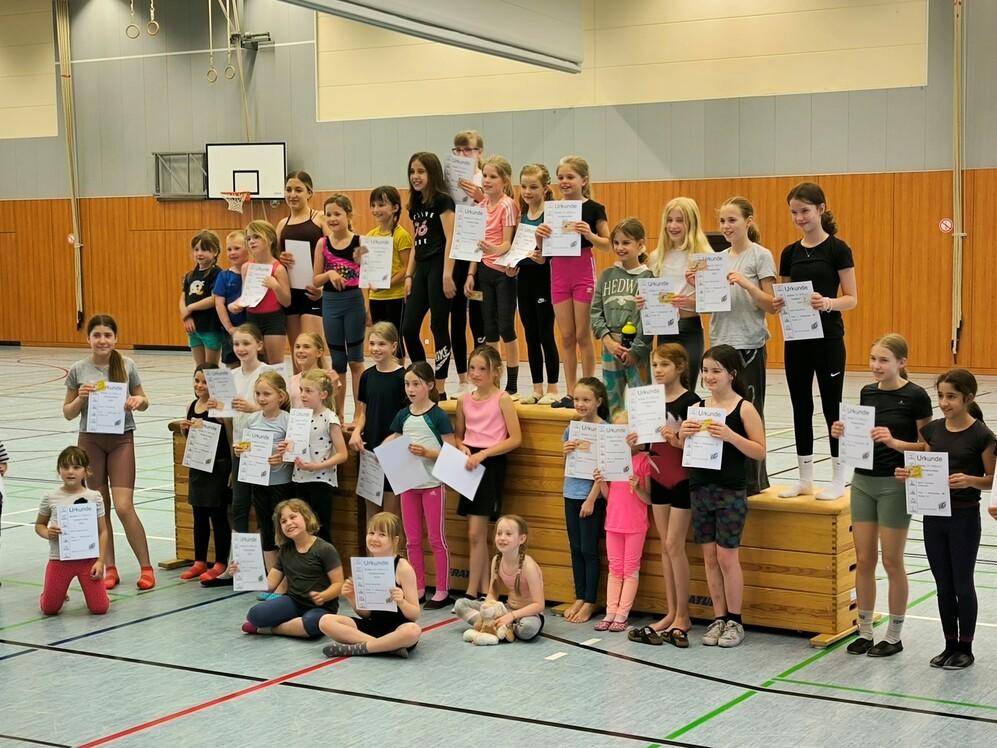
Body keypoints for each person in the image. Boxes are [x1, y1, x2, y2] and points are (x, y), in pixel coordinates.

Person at [831, 334, 932, 657]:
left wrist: (896, 443)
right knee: (863, 559)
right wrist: (843, 432)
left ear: (902, 362)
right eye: (873, 359)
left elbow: (928, 447)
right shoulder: (867, 392)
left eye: (883, 360)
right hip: (863, 481)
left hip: (895, 484)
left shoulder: (916, 396)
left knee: (891, 560)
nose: (876, 366)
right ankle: (864, 631)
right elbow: (862, 435)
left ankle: (894, 634)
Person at [896, 369, 996, 670]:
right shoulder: (933, 431)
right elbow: (926, 466)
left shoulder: (983, 436)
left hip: (964, 518)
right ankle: (949, 643)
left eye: (950, 396)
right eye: (940, 396)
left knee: (962, 584)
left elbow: (992, 480)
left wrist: (970, 480)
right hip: (934, 516)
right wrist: (908, 474)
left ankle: (966, 647)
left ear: (968, 398)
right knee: (942, 584)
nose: (943, 402)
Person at [679, 345, 766, 648]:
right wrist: (683, 434)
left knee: (727, 556)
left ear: (732, 373)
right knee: (709, 557)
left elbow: (759, 450)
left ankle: (735, 620)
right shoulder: (700, 406)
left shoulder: (744, 408)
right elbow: (684, 448)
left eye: (716, 370)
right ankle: (718, 617)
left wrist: (731, 435)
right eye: (705, 370)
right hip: (700, 487)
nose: (709, 376)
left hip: (730, 490)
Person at [775, 182, 858, 500]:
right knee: (800, 406)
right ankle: (804, 476)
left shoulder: (838, 249)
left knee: (831, 407)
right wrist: (781, 303)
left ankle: (838, 476)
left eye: (805, 211)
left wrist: (827, 303)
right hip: (797, 341)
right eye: (794, 212)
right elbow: (784, 296)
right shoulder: (789, 252)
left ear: (821, 209)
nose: (799, 218)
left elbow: (851, 298)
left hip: (829, 340)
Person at [62, 314, 154, 591]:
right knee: (100, 508)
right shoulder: (78, 369)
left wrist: (138, 401)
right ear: (88, 338)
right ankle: (109, 566)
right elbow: (68, 413)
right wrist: (81, 398)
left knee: (124, 506)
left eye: (107, 335)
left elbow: (145, 400)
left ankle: (146, 567)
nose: (102, 340)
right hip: (90, 441)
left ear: (115, 338)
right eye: (97, 335)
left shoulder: (127, 365)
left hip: (120, 440)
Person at [628, 344, 700, 647]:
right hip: (658, 476)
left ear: (680, 367)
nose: (657, 370)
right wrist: (633, 443)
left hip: (682, 477)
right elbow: (645, 446)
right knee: (664, 547)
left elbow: (696, 448)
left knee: (674, 544)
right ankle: (671, 612)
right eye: (655, 364)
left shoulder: (691, 401)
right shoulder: (648, 401)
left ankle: (684, 614)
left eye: (664, 365)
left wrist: (677, 438)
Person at [709, 197, 776, 494]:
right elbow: (706, 302)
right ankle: (727, 476)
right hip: (720, 343)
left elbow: (771, 305)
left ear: (748, 221)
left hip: (748, 345)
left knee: (749, 413)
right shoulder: (716, 258)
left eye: (732, 220)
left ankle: (754, 482)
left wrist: (746, 284)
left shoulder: (760, 256)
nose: (726, 226)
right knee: (721, 414)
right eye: (722, 221)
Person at [536, 156, 610, 407]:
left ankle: (588, 389)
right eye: (561, 178)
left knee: (582, 334)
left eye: (570, 177)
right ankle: (570, 392)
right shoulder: (553, 209)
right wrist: (539, 237)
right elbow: (542, 253)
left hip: (582, 270)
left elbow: (608, 243)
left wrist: (588, 233)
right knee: (566, 335)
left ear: (584, 180)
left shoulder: (594, 208)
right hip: (558, 271)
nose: (565, 182)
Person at [384, 361, 456, 608]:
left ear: (429, 385)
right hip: (408, 484)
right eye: (407, 384)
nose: (410, 389)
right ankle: (418, 586)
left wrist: (427, 453)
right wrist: (382, 449)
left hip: (433, 485)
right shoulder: (402, 414)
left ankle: (443, 589)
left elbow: (452, 450)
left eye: (416, 384)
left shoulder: (438, 415)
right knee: (412, 540)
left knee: (436, 538)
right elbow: (391, 439)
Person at [454, 345, 522, 598]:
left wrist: (485, 454)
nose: (476, 373)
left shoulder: (502, 398)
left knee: (478, 531)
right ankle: (482, 587)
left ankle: (475, 589)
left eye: (483, 368)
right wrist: (462, 448)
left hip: (490, 462)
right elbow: (459, 436)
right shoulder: (464, 400)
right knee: (474, 533)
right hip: (470, 463)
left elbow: (515, 438)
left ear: (496, 372)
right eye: (472, 368)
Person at [320, 512, 422, 658]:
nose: (374, 538)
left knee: (413, 631)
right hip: (372, 627)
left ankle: (359, 648)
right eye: (371, 533)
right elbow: (366, 614)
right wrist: (353, 598)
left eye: (382, 534)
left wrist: (402, 602)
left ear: (395, 540)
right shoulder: (365, 566)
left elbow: (414, 615)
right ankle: (385, 647)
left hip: (398, 629)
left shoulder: (403, 568)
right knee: (325, 621)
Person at [238, 499, 344, 639]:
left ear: (306, 518)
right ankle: (293, 626)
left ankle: (268, 630)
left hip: (322, 607)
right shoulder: (285, 551)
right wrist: (243, 574)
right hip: (294, 601)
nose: (288, 523)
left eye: (293, 517)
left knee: (313, 623)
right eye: (283, 521)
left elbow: (338, 584)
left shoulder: (325, 549)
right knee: (255, 615)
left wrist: (324, 595)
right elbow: (270, 584)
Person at [464, 155, 520, 396]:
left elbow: (508, 242)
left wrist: (494, 250)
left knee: (506, 326)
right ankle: (492, 381)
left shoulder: (508, 205)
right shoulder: (479, 208)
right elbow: (475, 250)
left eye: (492, 176)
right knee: (489, 328)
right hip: (484, 271)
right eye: (484, 176)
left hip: (503, 272)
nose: (486, 180)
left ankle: (514, 382)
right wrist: (470, 274)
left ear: (505, 180)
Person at [641, 196, 713, 382]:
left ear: (691, 222)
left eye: (679, 220)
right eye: (669, 220)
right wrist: (643, 300)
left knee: (687, 385)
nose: (673, 225)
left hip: (690, 328)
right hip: (665, 329)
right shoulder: (656, 257)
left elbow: (715, 302)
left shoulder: (704, 257)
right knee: (666, 385)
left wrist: (692, 302)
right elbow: (651, 295)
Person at [401, 152, 457, 392]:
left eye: (421, 171)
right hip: (421, 268)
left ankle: (440, 387)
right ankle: (422, 379)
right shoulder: (415, 204)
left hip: (439, 266)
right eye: (412, 171)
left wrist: (447, 274)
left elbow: (451, 238)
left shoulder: (443, 201)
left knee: (438, 326)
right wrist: (408, 275)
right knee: (408, 328)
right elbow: (416, 241)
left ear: (432, 173)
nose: (416, 176)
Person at [592, 412, 652, 632]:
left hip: (635, 525)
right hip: (613, 523)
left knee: (630, 570)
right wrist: (601, 483)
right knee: (615, 569)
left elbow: (649, 499)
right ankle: (610, 612)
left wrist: (637, 488)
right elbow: (610, 497)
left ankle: (622, 614)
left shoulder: (644, 461)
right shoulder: (611, 461)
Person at [35, 446, 110, 616]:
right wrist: (47, 532)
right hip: (60, 560)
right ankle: (50, 593)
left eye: (76, 467)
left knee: (100, 609)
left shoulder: (95, 497)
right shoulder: (50, 497)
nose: (70, 472)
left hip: (88, 561)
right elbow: (39, 525)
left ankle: (99, 592)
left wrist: (100, 561)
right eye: (65, 467)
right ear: (58, 470)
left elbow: (103, 531)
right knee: (49, 609)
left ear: (86, 471)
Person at [591, 217, 653, 414]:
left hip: (638, 350)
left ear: (640, 244)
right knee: (612, 403)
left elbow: (651, 319)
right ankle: (614, 443)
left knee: (642, 404)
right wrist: (608, 341)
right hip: (611, 347)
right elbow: (595, 312)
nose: (620, 247)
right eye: (616, 243)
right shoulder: (606, 275)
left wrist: (636, 350)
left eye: (626, 242)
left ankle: (643, 444)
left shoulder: (649, 277)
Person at [313, 193, 368, 418]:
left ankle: (359, 413)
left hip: (353, 301)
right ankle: (339, 413)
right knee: (337, 363)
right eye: (328, 215)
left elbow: (370, 276)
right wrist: (329, 272)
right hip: (331, 304)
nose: (333, 218)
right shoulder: (322, 243)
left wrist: (368, 308)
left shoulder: (360, 242)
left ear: (349, 215)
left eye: (338, 213)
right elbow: (315, 280)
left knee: (356, 359)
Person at [560, 377, 610, 624]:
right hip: (570, 493)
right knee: (576, 548)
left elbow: (605, 470)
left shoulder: (605, 429)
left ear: (598, 401)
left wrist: (591, 499)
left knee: (590, 550)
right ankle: (580, 595)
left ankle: (590, 600)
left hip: (591, 498)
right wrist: (566, 452)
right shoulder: (572, 429)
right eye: (577, 399)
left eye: (586, 399)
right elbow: (568, 466)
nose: (580, 404)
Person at [454, 515, 546, 641]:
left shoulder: (528, 566)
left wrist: (512, 616)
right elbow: (492, 593)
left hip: (528, 614)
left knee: (527, 629)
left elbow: (539, 605)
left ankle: (504, 627)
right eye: (499, 533)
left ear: (522, 538)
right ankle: (496, 626)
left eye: (508, 534)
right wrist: (486, 613)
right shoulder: (497, 560)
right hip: (506, 610)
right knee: (460, 605)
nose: (502, 538)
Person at [179, 364, 232, 583]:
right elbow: (192, 440)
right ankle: (199, 560)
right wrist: (185, 429)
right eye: (197, 381)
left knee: (218, 517)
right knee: (199, 516)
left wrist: (232, 468)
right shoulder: (193, 405)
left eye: (205, 382)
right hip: (198, 467)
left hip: (218, 467)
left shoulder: (219, 406)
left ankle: (220, 562)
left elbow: (230, 436)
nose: (200, 385)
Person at [349, 322, 407, 520]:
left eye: (381, 344)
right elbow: (364, 412)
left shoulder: (404, 377)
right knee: (371, 515)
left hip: (395, 452)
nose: (375, 348)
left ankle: (392, 552)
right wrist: (357, 431)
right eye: (372, 343)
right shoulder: (367, 376)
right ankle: (370, 552)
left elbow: (408, 417)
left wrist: (394, 438)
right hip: (371, 451)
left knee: (390, 517)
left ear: (393, 346)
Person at [236, 371, 292, 574]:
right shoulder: (251, 420)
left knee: (283, 529)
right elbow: (245, 444)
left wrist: (284, 456)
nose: (261, 398)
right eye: (258, 394)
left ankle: (285, 579)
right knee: (266, 528)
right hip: (258, 482)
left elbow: (295, 452)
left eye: (266, 394)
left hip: (281, 483)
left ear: (281, 396)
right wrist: (240, 450)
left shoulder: (288, 420)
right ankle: (271, 578)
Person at [514, 163, 560, 404]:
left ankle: (553, 388)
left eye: (533, 187)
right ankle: (537, 387)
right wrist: (512, 265)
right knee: (530, 335)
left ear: (545, 188)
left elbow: (557, 250)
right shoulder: (522, 218)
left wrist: (545, 256)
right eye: (524, 186)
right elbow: (517, 250)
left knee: (545, 333)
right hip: (524, 279)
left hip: (544, 278)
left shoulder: (549, 216)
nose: (528, 191)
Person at [290, 369, 348, 543]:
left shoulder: (330, 418)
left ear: (323, 394)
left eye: (308, 391)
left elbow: (343, 454)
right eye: (301, 390)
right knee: (300, 530)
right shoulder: (298, 416)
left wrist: (318, 466)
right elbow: (294, 445)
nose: (303, 395)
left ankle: (324, 569)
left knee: (319, 529)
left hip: (320, 480)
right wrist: (286, 448)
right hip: (299, 478)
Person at [276, 171, 326, 369]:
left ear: (309, 193)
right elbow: (274, 260)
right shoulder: (282, 224)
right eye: (289, 190)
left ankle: (324, 398)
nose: (293, 195)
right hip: (291, 295)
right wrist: (280, 258)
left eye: (298, 190)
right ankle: (300, 398)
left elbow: (333, 254)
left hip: (313, 293)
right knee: (299, 356)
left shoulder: (319, 219)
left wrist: (323, 288)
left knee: (314, 354)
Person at [229, 220, 291, 368]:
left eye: (256, 237)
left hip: (273, 319)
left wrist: (275, 286)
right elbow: (247, 295)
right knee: (253, 364)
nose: (251, 241)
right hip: (252, 318)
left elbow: (287, 301)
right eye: (248, 238)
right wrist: (235, 304)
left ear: (269, 239)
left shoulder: (278, 269)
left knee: (275, 365)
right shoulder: (246, 267)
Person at [362, 185, 412, 359]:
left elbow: (407, 268)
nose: (376, 209)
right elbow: (368, 271)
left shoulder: (401, 235)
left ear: (395, 208)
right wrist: (368, 302)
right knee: (379, 340)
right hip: (376, 298)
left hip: (396, 298)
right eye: (373, 205)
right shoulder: (370, 236)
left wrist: (387, 283)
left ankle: (398, 377)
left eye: (381, 205)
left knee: (394, 340)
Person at [180, 230, 223, 366]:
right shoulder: (189, 275)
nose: (199, 253)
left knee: (211, 369)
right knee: (200, 369)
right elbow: (182, 298)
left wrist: (191, 308)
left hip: (210, 328)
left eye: (205, 250)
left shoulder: (217, 274)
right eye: (196, 249)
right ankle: (200, 387)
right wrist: (186, 316)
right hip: (194, 330)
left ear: (215, 252)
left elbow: (213, 298)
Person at [213, 230, 249, 368]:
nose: (232, 252)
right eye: (229, 249)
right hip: (232, 329)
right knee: (233, 365)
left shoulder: (255, 272)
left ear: (247, 249)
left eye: (237, 248)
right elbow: (219, 304)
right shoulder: (224, 276)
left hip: (252, 327)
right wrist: (229, 328)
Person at [287, 332, 342, 421]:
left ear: (319, 352)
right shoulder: (292, 380)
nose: (300, 350)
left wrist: (334, 384)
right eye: (297, 347)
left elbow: (336, 410)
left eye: (306, 347)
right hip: (298, 429)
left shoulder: (329, 377)